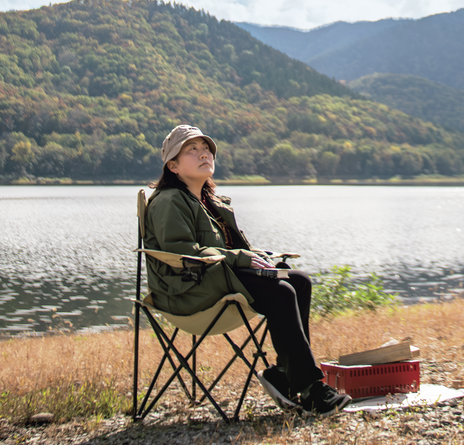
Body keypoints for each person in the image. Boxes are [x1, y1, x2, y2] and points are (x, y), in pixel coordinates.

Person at [142, 123, 350, 415]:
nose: (204, 154)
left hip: (218, 280)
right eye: (192, 150)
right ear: (173, 166)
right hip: (186, 291)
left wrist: (258, 256)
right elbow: (181, 252)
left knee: (299, 281)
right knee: (280, 292)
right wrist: (240, 258)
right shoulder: (169, 201)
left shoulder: (211, 202)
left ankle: (283, 374)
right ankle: (311, 388)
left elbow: (230, 251)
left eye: (206, 149)